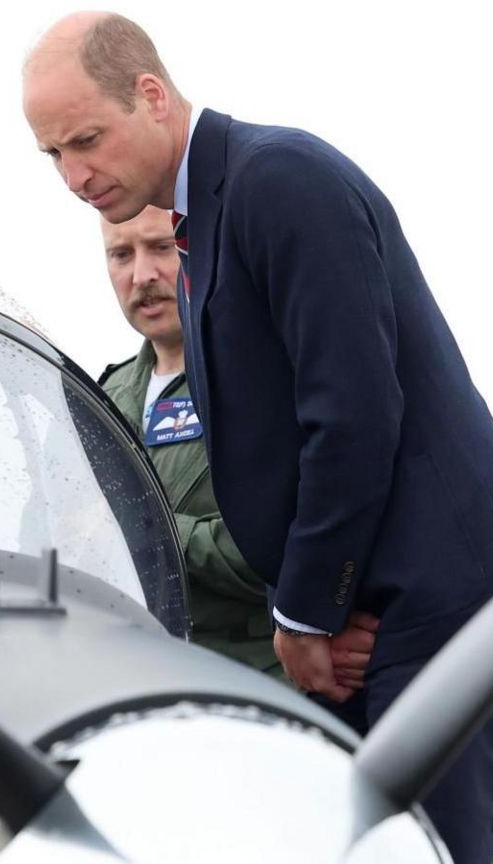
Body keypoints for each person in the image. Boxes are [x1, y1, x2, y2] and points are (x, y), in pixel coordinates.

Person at [22, 13, 493, 863]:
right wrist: (319, 611)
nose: (73, 175)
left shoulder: (276, 181)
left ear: (151, 95)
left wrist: (305, 611)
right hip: (371, 607)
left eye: (87, 140)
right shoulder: (203, 219)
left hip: (443, 596)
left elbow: (354, 414)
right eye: (53, 155)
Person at [96, 205, 375, 677]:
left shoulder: (266, 380)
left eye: (161, 248)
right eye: (121, 255)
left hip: (258, 685)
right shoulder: (99, 398)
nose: (142, 275)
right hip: (128, 685)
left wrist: (143, 529)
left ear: (195, 247)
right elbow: (51, 542)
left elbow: (289, 547)